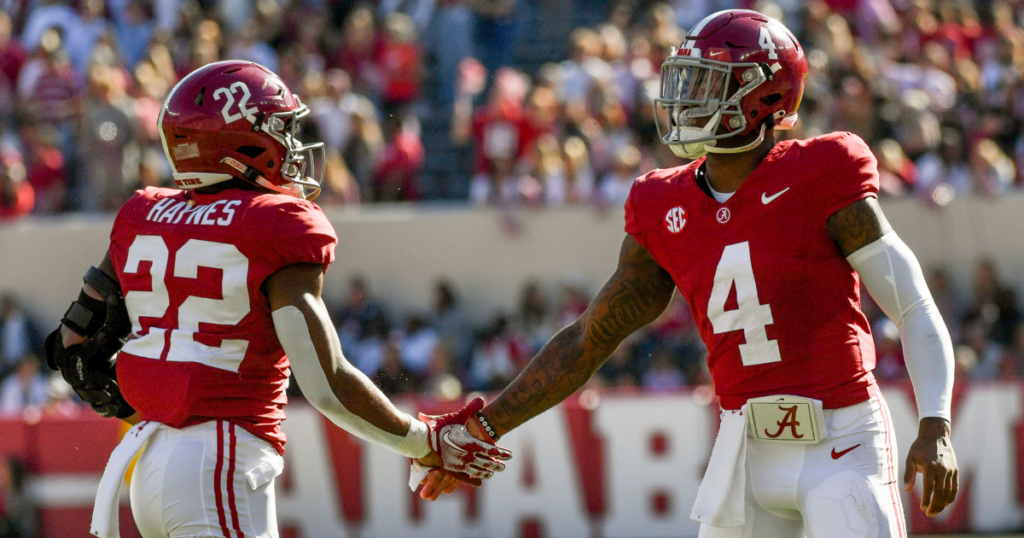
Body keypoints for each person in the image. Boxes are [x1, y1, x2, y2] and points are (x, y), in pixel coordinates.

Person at [421, 10, 959, 537]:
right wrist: (483, 428)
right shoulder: (661, 203)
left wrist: (935, 421)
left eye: (708, 81)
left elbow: (911, 303)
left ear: (765, 96)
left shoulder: (822, 171)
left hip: (842, 441)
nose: (687, 96)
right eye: (687, 78)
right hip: (742, 449)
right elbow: (589, 339)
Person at [42, 60, 509, 538]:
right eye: (279, 129)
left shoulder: (142, 213)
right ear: (238, 140)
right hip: (219, 460)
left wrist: (136, 403)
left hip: (151, 461)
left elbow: (73, 345)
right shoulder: (275, 224)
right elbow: (325, 384)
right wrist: (423, 441)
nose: (290, 145)